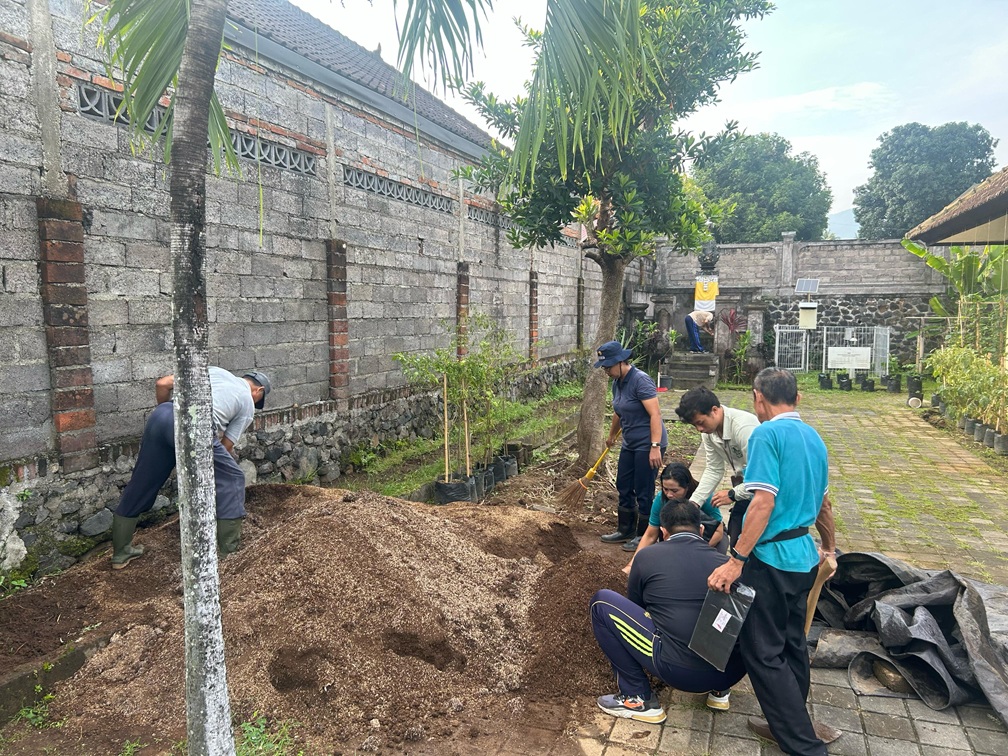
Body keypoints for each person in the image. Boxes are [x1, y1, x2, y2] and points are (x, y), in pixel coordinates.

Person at [707, 368, 838, 756]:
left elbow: (762, 502)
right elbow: (824, 505)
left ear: (757, 398)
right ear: (797, 399)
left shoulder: (766, 435)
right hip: (804, 557)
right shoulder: (814, 438)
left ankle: (804, 746)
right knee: (793, 643)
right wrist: (830, 549)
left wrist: (736, 559)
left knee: (763, 652)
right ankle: (789, 725)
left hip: (771, 560)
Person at [591, 498, 747, 724]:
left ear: (663, 532)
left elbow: (637, 607)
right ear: (701, 530)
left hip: (679, 672)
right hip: (730, 673)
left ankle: (636, 696)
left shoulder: (646, 557)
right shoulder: (727, 567)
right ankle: (719, 692)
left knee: (601, 603)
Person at [111, 367, 271, 569]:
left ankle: (121, 553)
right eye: (258, 400)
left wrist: (172, 423)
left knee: (143, 481)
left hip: (162, 415)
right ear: (258, 390)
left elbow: (162, 384)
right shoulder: (247, 403)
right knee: (233, 477)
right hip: (193, 425)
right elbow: (225, 446)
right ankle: (229, 555)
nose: (255, 404)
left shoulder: (215, 371)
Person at [594, 341, 667, 549]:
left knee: (644, 489)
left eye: (608, 367)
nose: (606, 371)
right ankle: (625, 529)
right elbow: (619, 411)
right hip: (630, 442)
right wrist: (611, 435)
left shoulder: (640, 380)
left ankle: (645, 535)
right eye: (604, 368)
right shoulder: (617, 382)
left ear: (621, 362)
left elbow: (655, 414)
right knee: (624, 485)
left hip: (648, 443)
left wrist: (655, 446)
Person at [675, 386, 759, 546]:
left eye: (700, 423)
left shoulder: (744, 428)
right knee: (736, 537)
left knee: (751, 545)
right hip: (747, 490)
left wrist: (733, 494)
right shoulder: (709, 432)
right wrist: (694, 503)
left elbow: (762, 477)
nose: (699, 429)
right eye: (694, 425)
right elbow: (714, 469)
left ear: (714, 410)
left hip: (766, 494)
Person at [622, 462, 724, 573]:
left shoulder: (705, 497)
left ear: (687, 487)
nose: (669, 495)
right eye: (665, 489)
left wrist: (696, 552)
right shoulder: (661, 500)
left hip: (708, 540)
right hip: (675, 542)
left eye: (675, 491)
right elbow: (650, 535)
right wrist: (631, 566)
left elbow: (719, 531)